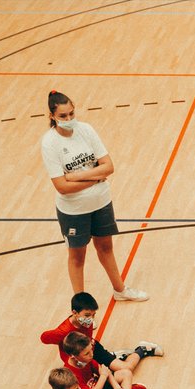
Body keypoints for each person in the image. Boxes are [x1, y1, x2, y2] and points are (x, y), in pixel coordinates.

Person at [40, 90, 147, 300]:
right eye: (63, 116)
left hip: (101, 202)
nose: (69, 119)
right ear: (52, 116)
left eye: (71, 114)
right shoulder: (49, 143)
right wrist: (95, 178)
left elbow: (109, 166)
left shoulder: (86, 130)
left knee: (106, 247)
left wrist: (76, 177)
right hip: (73, 211)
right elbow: (61, 186)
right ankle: (79, 306)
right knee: (77, 257)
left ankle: (120, 290)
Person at [41, 291, 162, 375]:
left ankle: (142, 349)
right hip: (79, 360)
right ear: (74, 312)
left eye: (93, 315)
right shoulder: (63, 331)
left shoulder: (87, 321)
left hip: (92, 350)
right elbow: (44, 338)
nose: (91, 319)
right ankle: (117, 356)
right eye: (87, 315)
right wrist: (57, 337)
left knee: (126, 369)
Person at [61, 331, 138, 389]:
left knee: (126, 373)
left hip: (99, 385)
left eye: (91, 350)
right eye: (86, 353)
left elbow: (106, 371)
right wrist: (103, 376)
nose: (91, 355)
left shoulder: (86, 359)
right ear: (72, 356)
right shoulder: (70, 375)